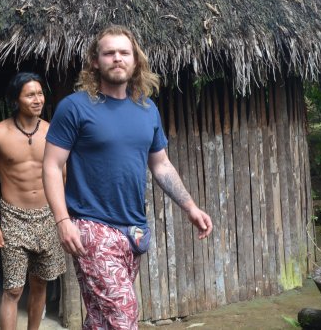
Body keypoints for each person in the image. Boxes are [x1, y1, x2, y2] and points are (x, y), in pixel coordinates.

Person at [42, 25, 213, 330]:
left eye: (124, 53)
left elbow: (161, 166)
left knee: (99, 317)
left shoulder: (147, 110)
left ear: (136, 61)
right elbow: (52, 166)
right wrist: (62, 221)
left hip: (134, 230)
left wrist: (191, 207)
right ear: (96, 61)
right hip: (91, 226)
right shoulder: (75, 107)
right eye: (109, 53)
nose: (117, 58)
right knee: (123, 313)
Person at [0, 72, 67, 330]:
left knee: (40, 283)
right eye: (30, 94)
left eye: (40, 94)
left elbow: (63, 177)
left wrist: (63, 218)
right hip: (14, 217)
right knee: (14, 288)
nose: (37, 99)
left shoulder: (53, 132)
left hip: (48, 217)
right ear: (16, 99)